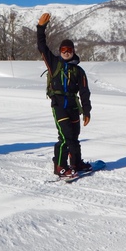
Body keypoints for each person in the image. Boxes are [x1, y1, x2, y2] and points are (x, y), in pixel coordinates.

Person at [37, 13, 93, 178]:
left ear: (73, 51)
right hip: (59, 104)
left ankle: (76, 163)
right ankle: (59, 166)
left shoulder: (79, 71)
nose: (66, 52)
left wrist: (87, 111)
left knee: (74, 136)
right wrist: (41, 28)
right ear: (60, 51)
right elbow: (41, 46)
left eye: (69, 50)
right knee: (65, 136)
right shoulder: (54, 63)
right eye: (63, 50)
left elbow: (84, 92)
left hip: (73, 106)